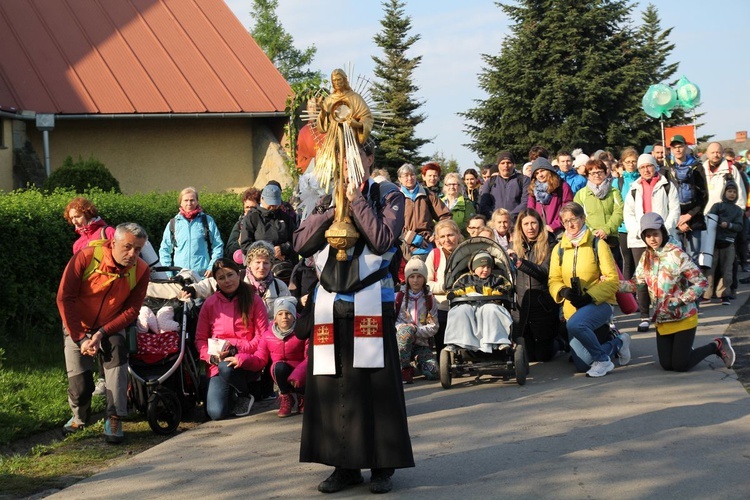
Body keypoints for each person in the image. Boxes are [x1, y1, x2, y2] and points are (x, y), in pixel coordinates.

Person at [294, 144, 414, 494]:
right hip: (331, 302)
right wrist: (334, 210)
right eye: (341, 157)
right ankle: (343, 465)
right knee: (334, 387)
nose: (347, 164)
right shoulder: (324, 198)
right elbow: (301, 243)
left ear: (369, 159)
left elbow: (382, 239)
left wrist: (356, 202)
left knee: (374, 386)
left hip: (371, 301)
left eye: (355, 156)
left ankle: (382, 466)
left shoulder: (387, 194)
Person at [57, 223, 150, 442]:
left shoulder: (142, 270)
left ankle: (114, 417)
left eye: (138, 249)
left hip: (110, 327)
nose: (132, 254)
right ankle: (79, 417)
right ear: (113, 242)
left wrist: (101, 333)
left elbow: (131, 311)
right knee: (80, 386)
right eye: (128, 247)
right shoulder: (85, 257)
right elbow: (64, 298)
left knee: (117, 356)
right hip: (76, 326)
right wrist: (80, 338)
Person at [619, 213, 735, 371]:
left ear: (663, 233)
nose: (652, 239)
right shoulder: (646, 257)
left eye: (655, 234)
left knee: (680, 365)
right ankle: (685, 351)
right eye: (648, 235)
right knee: (667, 365)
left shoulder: (676, 253)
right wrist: (612, 285)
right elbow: (636, 285)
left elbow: (701, 282)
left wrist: (681, 300)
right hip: (663, 319)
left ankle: (716, 345)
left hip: (684, 315)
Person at [548, 202, 630, 378]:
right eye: (565, 221)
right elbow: (553, 279)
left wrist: (589, 297)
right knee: (583, 364)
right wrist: (563, 291)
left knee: (576, 324)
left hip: (599, 304)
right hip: (572, 309)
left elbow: (611, 279)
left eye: (573, 219)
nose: (570, 225)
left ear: (583, 218)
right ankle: (618, 343)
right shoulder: (558, 249)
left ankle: (603, 360)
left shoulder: (598, 244)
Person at [195, 258, 269, 421]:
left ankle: (244, 393)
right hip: (218, 363)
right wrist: (210, 357)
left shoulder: (253, 299)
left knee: (227, 368)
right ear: (216, 281)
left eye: (230, 275)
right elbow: (200, 339)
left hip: (248, 359)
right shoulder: (209, 304)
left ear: (238, 274)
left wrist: (239, 349)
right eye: (221, 278)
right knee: (216, 413)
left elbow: (263, 335)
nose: (227, 280)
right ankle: (229, 391)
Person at [623, 154, 680, 332]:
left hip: (662, 237)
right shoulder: (634, 188)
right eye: (642, 167)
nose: (646, 170)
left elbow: (674, 209)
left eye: (649, 166)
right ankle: (643, 315)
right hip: (640, 240)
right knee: (642, 278)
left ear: (655, 166)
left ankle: (663, 311)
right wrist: (639, 232)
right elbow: (629, 214)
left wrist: (664, 230)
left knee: (663, 277)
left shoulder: (667, 185)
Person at [508, 208, 561, 362]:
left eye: (533, 223)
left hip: (543, 306)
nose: (530, 227)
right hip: (522, 307)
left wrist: (521, 263)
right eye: (526, 224)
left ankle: (561, 341)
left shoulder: (550, 243)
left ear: (539, 224)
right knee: (529, 357)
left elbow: (544, 272)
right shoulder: (515, 245)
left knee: (544, 357)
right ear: (520, 227)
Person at [444, 250, 514, 352]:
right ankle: (456, 341)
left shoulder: (497, 279)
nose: (485, 270)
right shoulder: (464, 279)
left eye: (488, 267)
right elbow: (456, 289)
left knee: (491, 310)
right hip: (468, 304)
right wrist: (453, 294)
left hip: (490, 303)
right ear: (473, 267)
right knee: (460, 311)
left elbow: (507, 286)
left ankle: (498, 340)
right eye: (482, 267)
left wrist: (500, 291)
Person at [256, 296, 308, 417]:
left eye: (288, 313)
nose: (284, 317)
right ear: (275, 318)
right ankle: (286, 397)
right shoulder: (268, 335)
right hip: (282, 371)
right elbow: (259, 358)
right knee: (278, 367)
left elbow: (309, 357)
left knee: (303, 374)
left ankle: (303, 397)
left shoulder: (303, 331)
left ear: (294, 316)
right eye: (280, 314)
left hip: (301, 371)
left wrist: (298, 374)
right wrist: (241, 359)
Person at [158, 187, 224, 278]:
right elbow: (164, 250)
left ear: (197, 201)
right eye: (186, 200)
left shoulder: (207, 221)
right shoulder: (173, 223)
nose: (189, 203)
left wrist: (212, 267)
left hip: (203, 277)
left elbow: (217, 246)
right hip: (179, 277)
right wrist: (168, 273)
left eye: (192, 200)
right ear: (181, 202)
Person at [662, 135, 708, 262]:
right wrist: (677, 219)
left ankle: (694, 282)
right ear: (670, 149)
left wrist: (689, 215)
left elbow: (703, 195)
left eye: (680, 146)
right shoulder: (665, 169)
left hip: (694, 218)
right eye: (674, 147)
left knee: (694, 257)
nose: (677, 150)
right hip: (674, 219)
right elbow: (664, 197)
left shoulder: (696, 167)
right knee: (676, 258)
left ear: (686, 147)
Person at [397, 162, 451, 266]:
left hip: (427, 247)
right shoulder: (397, 197)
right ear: (400, 179)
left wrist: (437, 234)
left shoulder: (428, 194)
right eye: (405, 176)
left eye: (412, 174)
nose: (409, 178)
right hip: (404, 248)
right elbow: (392, 224)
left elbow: (445, 216)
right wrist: (413, 238)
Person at [573, 159, 624, 268]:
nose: (596, 175)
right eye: (592, 173)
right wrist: (593, 231)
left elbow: (619, 212)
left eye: (600, 172)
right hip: (589, 240)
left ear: (606, 173)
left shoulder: (614, 192)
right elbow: (578, 217)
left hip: (611, 239)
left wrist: (606, 229)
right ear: (587, 176)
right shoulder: (581, 195)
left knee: (613, 273)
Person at [426, 220, 463, 367]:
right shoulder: (434, 255)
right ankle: (445, 361)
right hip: (441, 305)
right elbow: (427, 283)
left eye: (450, 235)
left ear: (458, 235)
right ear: (437, 239)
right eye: (442, 236)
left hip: (463, 302)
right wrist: (444, 287)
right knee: (442, 330)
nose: (446, 240)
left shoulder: (465, 252)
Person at [395, 258, 439, 384]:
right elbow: (394, 321)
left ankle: (417, 363)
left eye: (419, 276)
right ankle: (405, 367)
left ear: (424, 278)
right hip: (401, 342)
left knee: (433, 372)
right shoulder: (399, 297)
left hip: (421, 344)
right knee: (406, 331)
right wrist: (404, 328)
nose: (415, 280)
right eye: (412, 276)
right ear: (407, 278)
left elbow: (434, 327)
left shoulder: (430, 299)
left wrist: (416, 330)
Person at [704, 180, 744, 303]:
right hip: (714, 243)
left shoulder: (738, 210)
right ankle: (706, 294)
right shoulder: (717, 206)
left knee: (727, 270)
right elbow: (710, 219)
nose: (732, 194)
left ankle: (725, 294)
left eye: (734, 192)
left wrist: (729, 225)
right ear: (724, 192)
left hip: (729, 243)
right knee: (709, 270)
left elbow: (739, 226)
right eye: (729, 191)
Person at [239, 183, 297, 267]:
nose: (273, 206)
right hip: (261, 266)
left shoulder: (285, 218)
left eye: (276, 203)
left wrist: (283, 248)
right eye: (270, 203)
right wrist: (269, 252)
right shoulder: (252, 217)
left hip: (285, 266)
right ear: (262, 199)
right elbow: (245, 246)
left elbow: (296, 240)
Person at [527, 157, 574, 239]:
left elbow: (567, 210)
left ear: (549, 170)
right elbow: (530, 211)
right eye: (537, 173)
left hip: (559, 231)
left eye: (542, 171)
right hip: (540, 231)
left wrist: (554, 226)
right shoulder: (533, 189)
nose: (540, 175)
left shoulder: (563, 186)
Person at [613, 148, 640, 279]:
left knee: (641, 262)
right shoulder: (618, 182)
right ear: (622, 163)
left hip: (640, 226)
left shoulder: (641, 179)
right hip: (623, 227)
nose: (631, 164)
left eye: (634, 161)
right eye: (628, 161)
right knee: (627, 261)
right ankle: (628, 295)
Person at [479, 151, 530, 221]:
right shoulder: (490, 182)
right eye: (502, 163)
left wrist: (510, 216)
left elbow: (526, 202)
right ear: (498, 165)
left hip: (517, 222)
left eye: (508, 162)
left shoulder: (524, 180)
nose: (505, 166)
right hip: (495, 223)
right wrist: (496, 217)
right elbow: (484, 204)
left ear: (513, 164)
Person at [225, 187, 261, 261]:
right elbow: (228, 252)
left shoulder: (265, 224)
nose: (250, 211)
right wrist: (239, 242)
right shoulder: (239, 225)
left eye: (253, 208)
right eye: (247, 207)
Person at [441, 172, 476, 237]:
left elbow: (469, 223)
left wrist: (452, 230)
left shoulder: (467, 203)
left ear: (460, 186)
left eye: (454, 184)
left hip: (461, 238)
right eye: (449, 184)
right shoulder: (439, 203)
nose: (452, 187)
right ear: (445, 186)